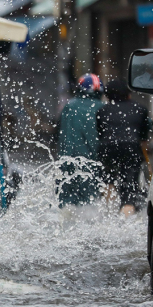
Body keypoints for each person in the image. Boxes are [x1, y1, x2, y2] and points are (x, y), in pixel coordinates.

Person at [96, 79, 152, 217]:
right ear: (128, 94)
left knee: (108, 183)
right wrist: (147, 162)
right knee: (129, 187)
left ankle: (108, 215)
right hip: (131, 149)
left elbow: (101, 134)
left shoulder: (102, 111)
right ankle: (127, 215)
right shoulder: (140, 109)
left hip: (107, 150)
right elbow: (143, 139)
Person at [57, 73, 105, 208]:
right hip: (90, 161)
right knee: (89, 204)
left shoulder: (69, 106)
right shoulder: (102, 108)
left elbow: (59, 134)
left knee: (65, 203)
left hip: (66, 159)